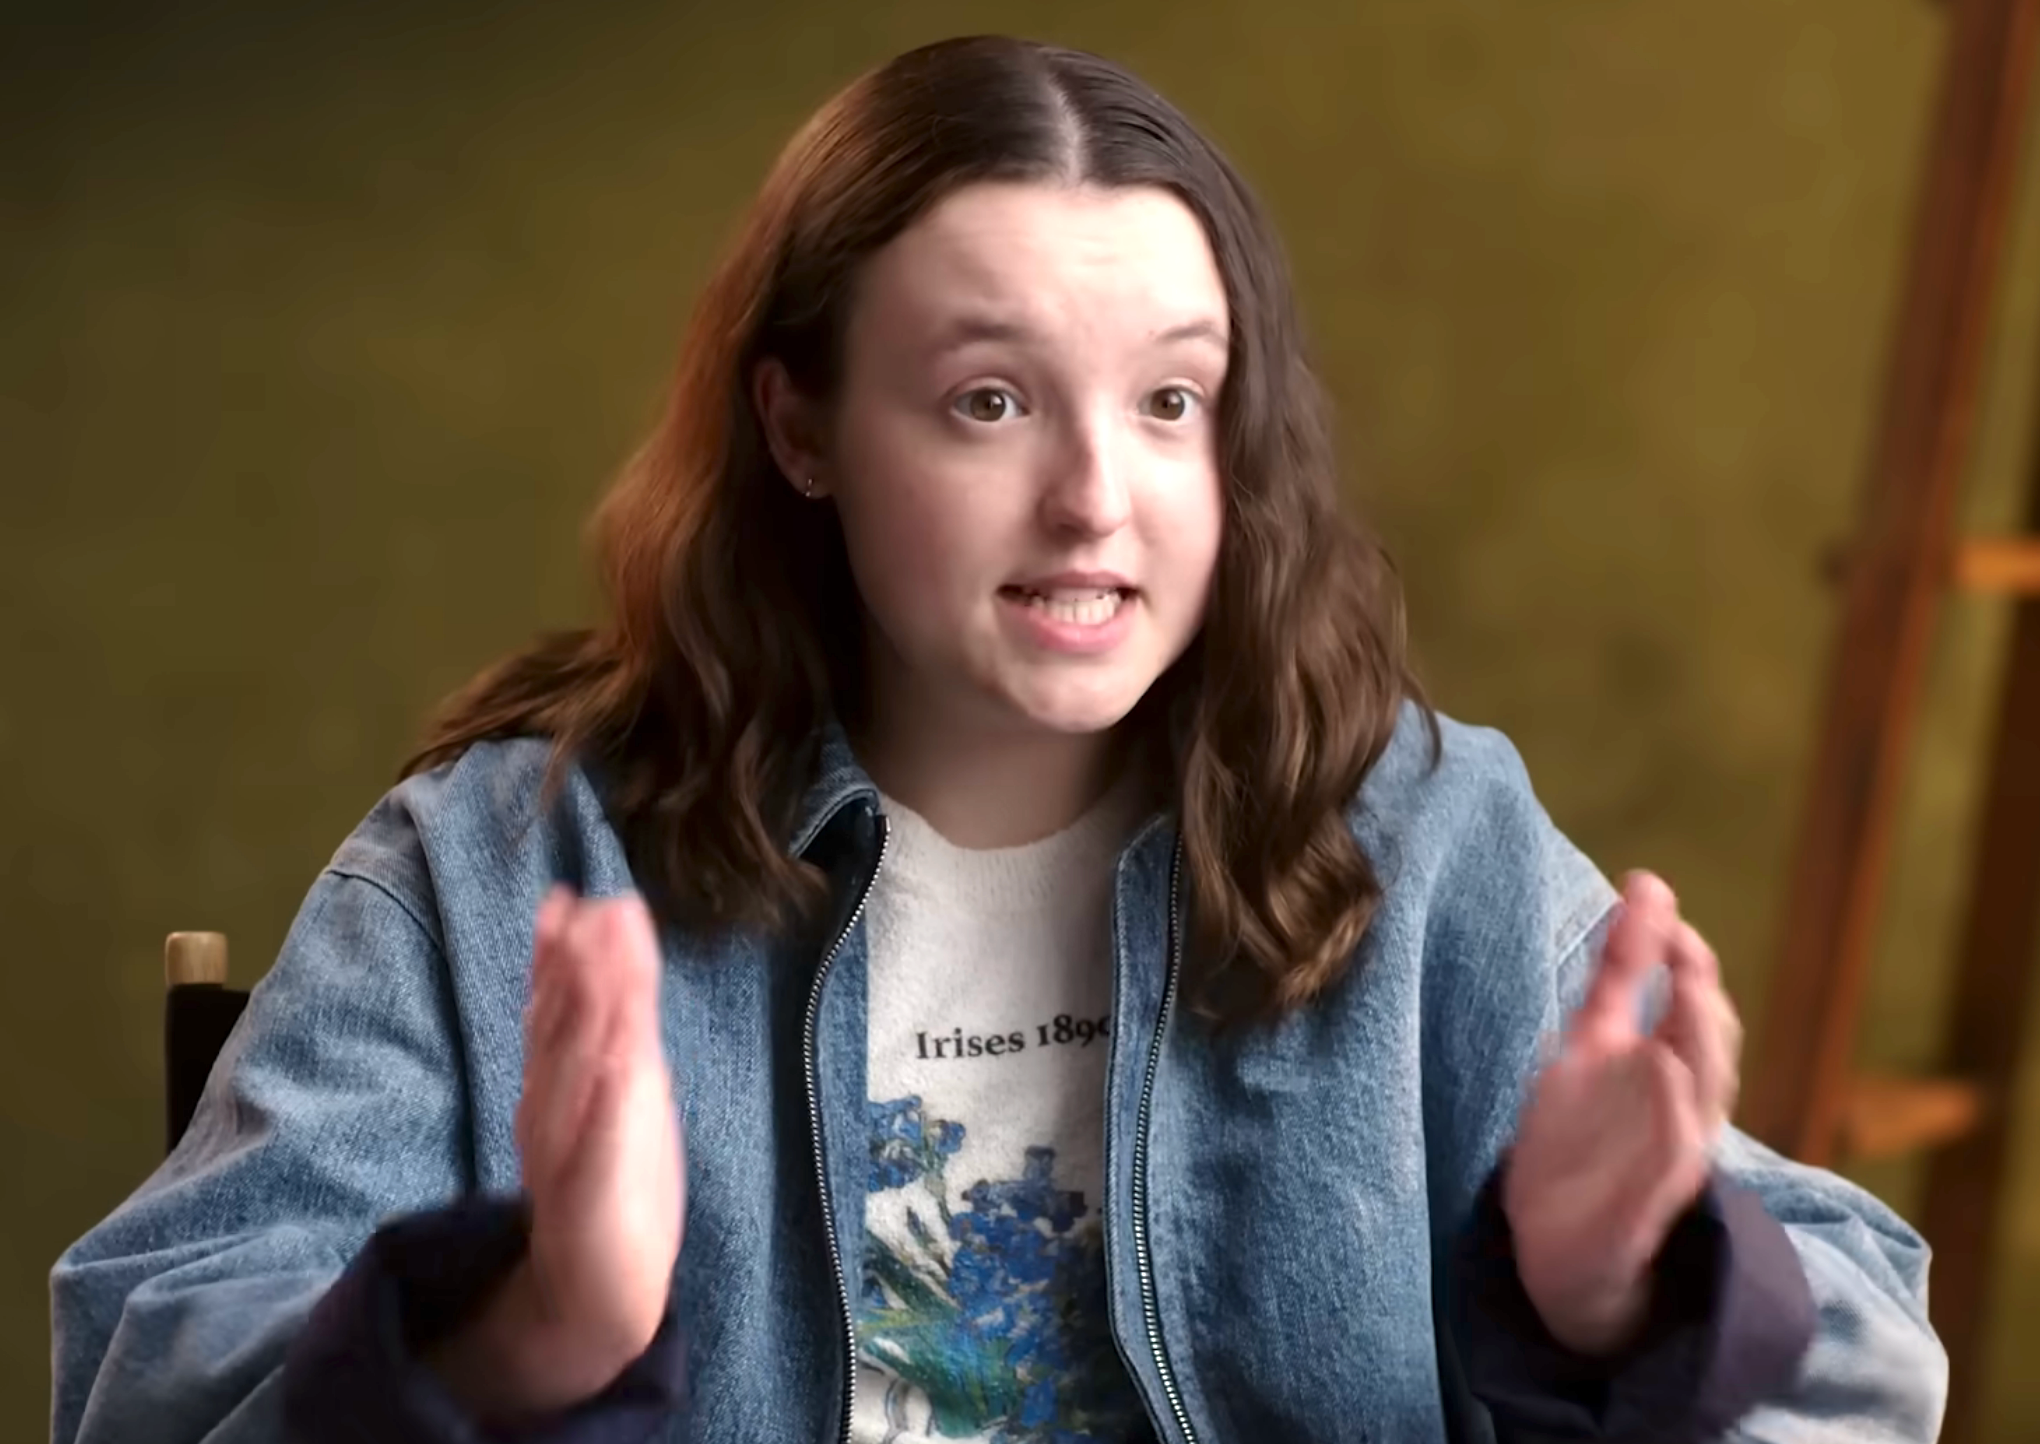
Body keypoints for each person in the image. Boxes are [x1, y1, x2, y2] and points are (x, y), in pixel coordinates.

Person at [51, 34, 1945, 1444]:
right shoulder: (501, 874)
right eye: (987, 400)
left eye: (1171, 402)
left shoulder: (1427, 845)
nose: (1095, 498)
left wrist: (1626, 1303)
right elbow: (145, 1387)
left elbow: (1872, 1379)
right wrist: (536, 1332)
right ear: (800, 427)